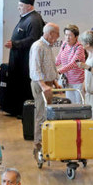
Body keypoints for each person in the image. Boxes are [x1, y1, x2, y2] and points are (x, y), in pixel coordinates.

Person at [4, 0, 45, 116]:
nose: (18, 8)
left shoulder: (34, 20)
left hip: (25, 61)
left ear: (29, 7)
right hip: (18, 60)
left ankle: (23, 112)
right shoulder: (26, 17)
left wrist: (15, 44)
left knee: (23, 86)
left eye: (21, 6)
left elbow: (33, 39)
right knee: (17, 84)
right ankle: (16, 109)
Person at [29, 23, 60, 154]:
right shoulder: (38, 46)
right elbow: (35, 68)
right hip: (41, 84)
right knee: (41, 113)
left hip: (48, 84)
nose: (58, 37)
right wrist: (43, 85)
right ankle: (39, 143)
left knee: (48, 113)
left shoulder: (47, 47)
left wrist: (54, 81)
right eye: (57, 34)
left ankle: (47, 139)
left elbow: (48, 66)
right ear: (50, 34)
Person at [55, 24, 86, 104]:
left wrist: (59, 71)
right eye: (66, 35)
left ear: (76, 37)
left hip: (78, 82)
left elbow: (73, 64)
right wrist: (51, 67)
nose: (67, 38)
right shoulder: (64, 44)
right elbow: (58, 59)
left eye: (70, 35)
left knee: (79, 105)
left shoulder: (79, 47)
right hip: (68, 81)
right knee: (70, 104)